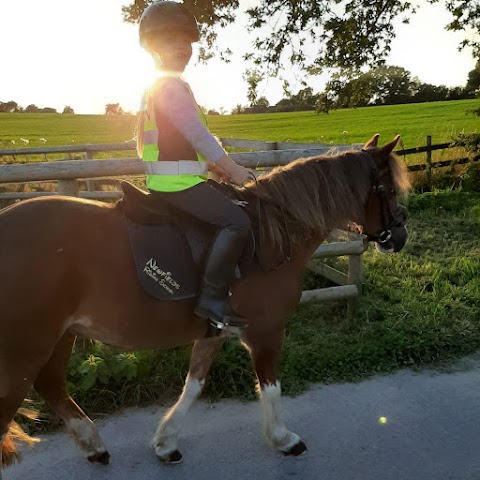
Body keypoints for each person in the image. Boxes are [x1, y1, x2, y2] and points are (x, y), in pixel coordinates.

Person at [137, 1, 251, 334]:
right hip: (177, 186)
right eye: (171, 40)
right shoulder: (170, 88)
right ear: (154, 47)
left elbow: (176, 142)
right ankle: (212, 300)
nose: (182, 48)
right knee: (238, 223)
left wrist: (212, 169)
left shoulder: (157, 88)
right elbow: (199, 135)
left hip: (175, 181)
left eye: (185, 41)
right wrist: (233, 168)